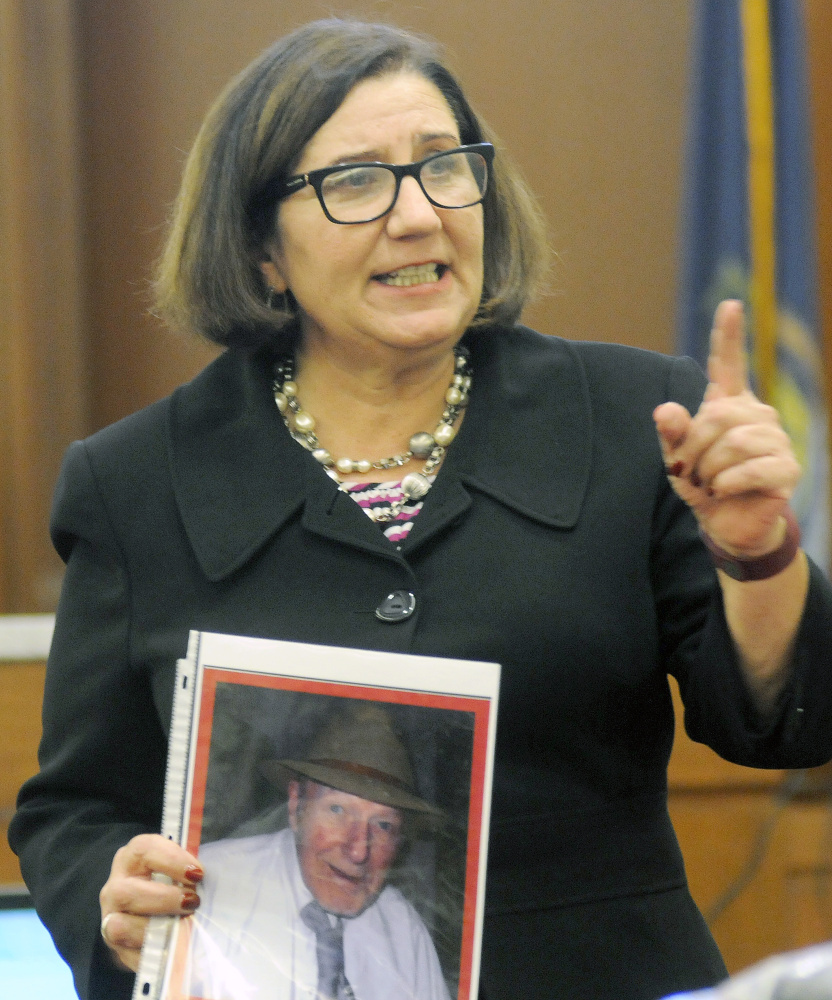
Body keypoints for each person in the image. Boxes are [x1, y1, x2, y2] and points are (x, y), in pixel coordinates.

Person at [9, 16, 832, 1000]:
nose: (418, 215)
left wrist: (758, 557)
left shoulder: (630, 420)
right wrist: (109, 889)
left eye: (445, 166)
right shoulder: (137, 480)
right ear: (261, 245)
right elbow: (75, 807)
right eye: (354, 181)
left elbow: (782, 728)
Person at [189, 702, 450, 1000]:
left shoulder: (403, 930)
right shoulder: (205, 884)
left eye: (383, 825)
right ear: (295, 805)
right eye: (337, 809)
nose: (357, 852)